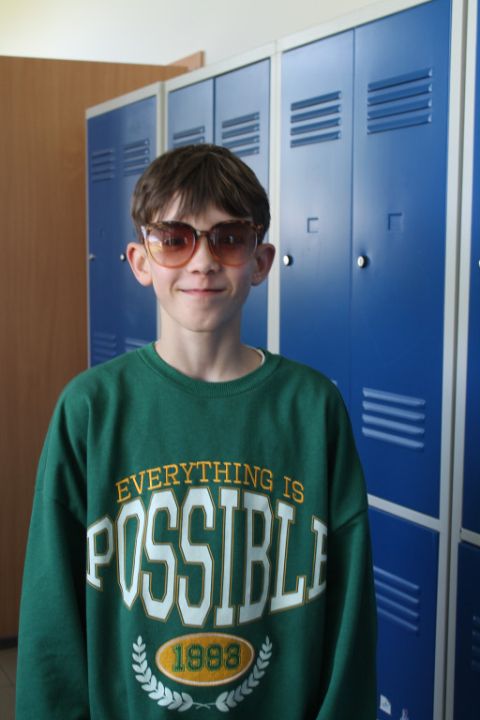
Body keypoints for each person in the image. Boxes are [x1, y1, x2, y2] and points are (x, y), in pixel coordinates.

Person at [16, 144, 377, 719]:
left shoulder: (314, 409)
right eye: (175, 238)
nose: (203, 261)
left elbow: (350, 617)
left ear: (260, 260)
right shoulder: (90, 410)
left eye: (228, 238)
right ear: (141, 261)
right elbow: (51, 622)